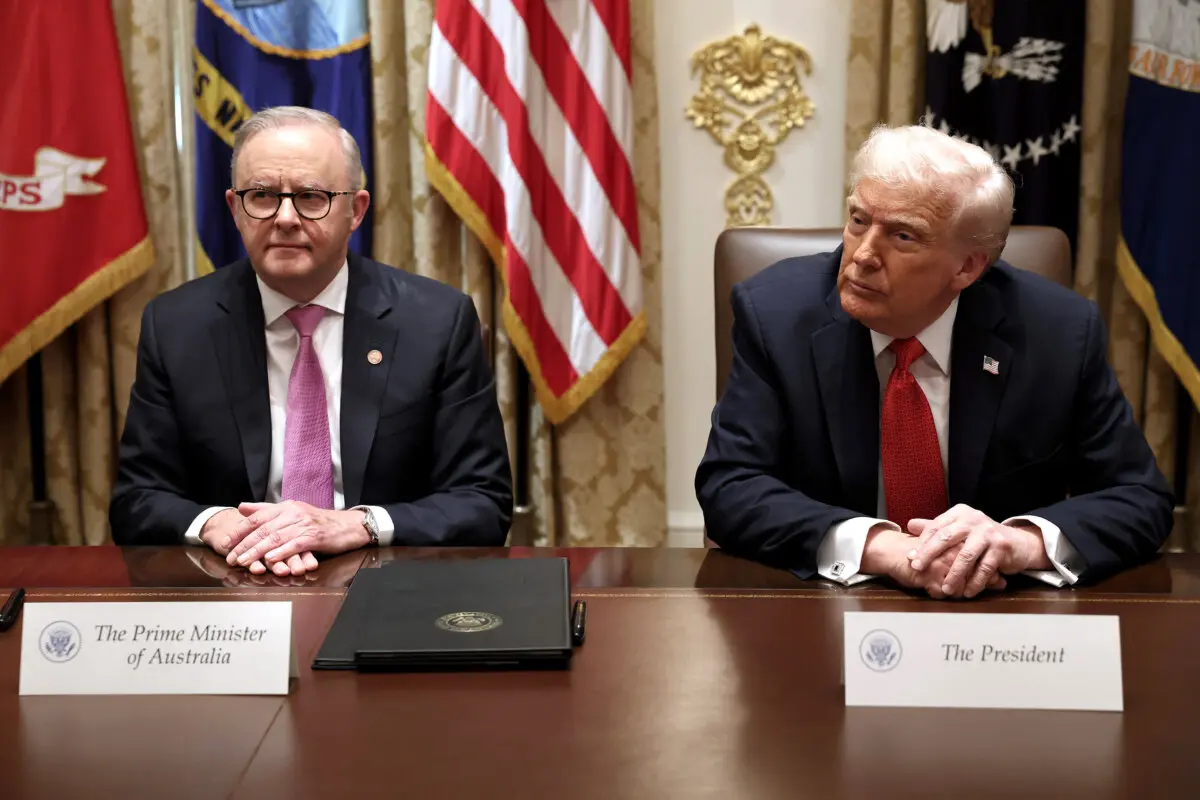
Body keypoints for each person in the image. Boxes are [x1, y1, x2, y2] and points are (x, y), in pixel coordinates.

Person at [696, 124, 1173, 598]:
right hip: (829, 607)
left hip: (1001, 619)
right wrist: (885, 548)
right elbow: (730, 486)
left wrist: (1017, 542)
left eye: (903, 236)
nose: (861, 255)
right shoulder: (776, 315)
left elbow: (1140, 498)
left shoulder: (1058, 331)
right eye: (858, 220)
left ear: (967, 266)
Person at [111, 106, 512, 576]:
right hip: (234, 598)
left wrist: (356, 525)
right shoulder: (177, 324)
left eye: (311, 197)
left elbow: (482, 502)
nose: (284, 217)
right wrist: (213, 522)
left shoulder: (435, 321)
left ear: (355, 210)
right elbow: (137, 499)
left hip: (388, 592)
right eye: (261, 195)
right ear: (235, 209)